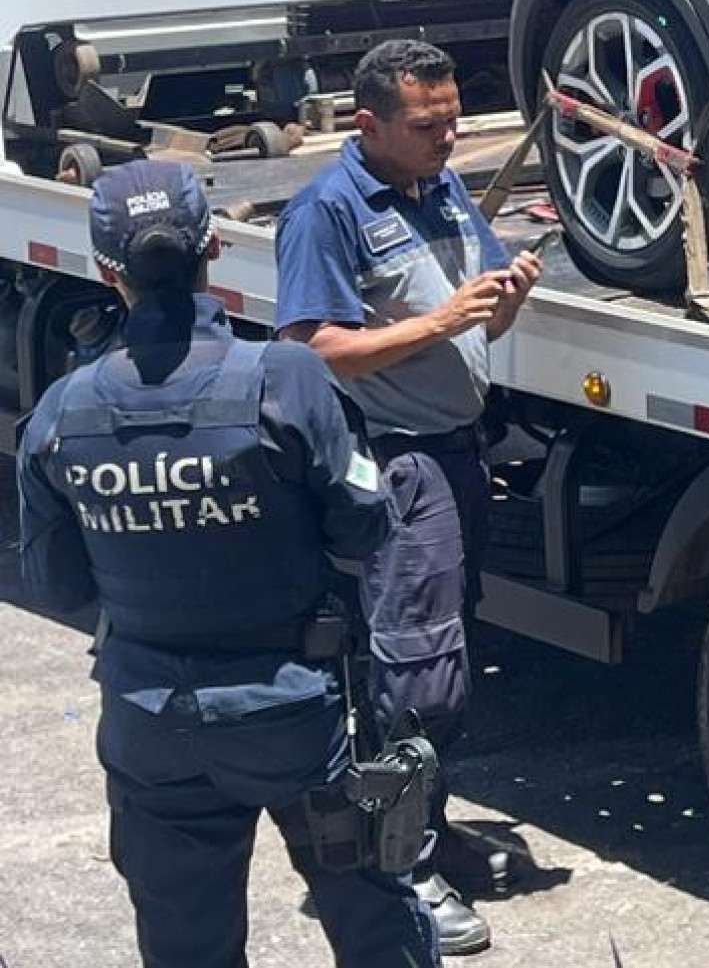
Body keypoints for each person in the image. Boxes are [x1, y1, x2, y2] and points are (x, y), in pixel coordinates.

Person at [15, 160, 435, 967]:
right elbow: (363, 526)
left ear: (106, 271)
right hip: (291, 713)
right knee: (374, 918)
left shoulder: (64, 411)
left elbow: (56, 584)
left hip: (149, 721)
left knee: (186, 945)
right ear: (213, 246)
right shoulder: (288, 379)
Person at [275, 38, 543, 956]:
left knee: (442, 667)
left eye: (454, 118)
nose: (450, 136)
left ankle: (421, 831)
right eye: (428, 125)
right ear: (369, 124)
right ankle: (398, 871)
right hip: (397, 459)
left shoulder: (440, 185)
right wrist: (441, 319)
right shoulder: (330, 209)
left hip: (456, 450)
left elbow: (478, 309)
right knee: (413, 674)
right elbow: (311, 347)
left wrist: (505, 298)